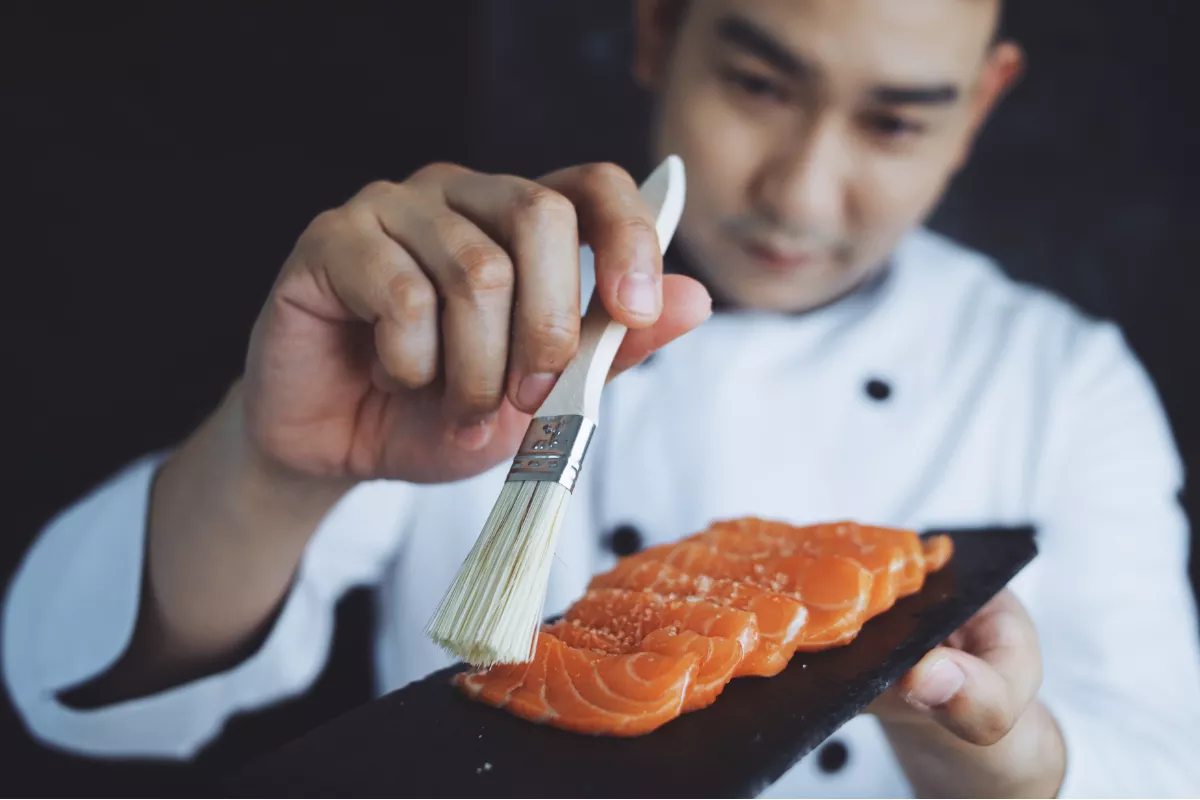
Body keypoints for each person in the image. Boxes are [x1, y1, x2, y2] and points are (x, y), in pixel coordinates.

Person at [5, 0, 1199, 795]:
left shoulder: (1063, 378)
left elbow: (1163, 759)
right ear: (657, 34)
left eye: (893, 120)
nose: (802, 187)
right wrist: (273, 467)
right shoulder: (477, 309)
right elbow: (86, 701)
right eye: (757, 84)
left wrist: (1020, 770)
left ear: (979, 107)